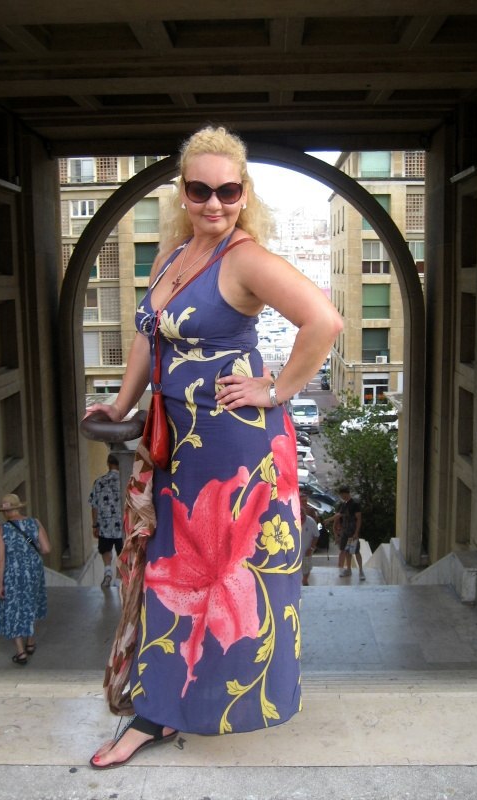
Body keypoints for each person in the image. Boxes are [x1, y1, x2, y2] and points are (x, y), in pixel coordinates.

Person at [86, 125, 343, 769]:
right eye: (200, 189)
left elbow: (324, 321)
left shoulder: (244, 258)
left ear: (244, 193)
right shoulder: (175, 255)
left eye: (228, 190)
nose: (214, 203)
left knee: (222, 582)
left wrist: (275, 390)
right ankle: (160, 710)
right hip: (180, 444)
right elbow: (148, 336)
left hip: (234, 446)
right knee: (172, 574)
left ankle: (175, 710)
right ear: (183, 191)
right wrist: (120, 404)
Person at [0, 493, 51, 664]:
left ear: (4, 512)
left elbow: (0, 558)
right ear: (18, 508)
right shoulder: (34, 522)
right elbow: (46, 549)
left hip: (13, 573)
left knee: (14, 608)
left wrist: (0, 583)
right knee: (31, 604)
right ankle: (30, 643)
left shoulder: (1, 529)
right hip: (34, 571)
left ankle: (20, 652)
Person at [89, 453, 123, 588]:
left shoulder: (99, 482)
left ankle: (108, 571)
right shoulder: (125, 480)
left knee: (105, 549)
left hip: (104, 525)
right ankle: (118, 579)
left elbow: (94, 505)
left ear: (108, 463)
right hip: (122, 525)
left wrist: (95, 525)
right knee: (122, 553)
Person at [326, 485, 364, 580]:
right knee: (346, 551)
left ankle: (361, 570)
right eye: (341, 495)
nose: (342, 497)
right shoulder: (344, 504)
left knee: (356, 551)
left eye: (343, 495)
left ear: (346, 493)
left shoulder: (355, 504)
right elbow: (338, 515)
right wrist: (328, 520)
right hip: (345, 531)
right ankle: (348, 569)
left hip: (352, 531)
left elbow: (359, 519)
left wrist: (356, 532)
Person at [299, 494, 320, 586]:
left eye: (305, 500)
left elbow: (316, 535)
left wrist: (311, 548)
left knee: (306, 567)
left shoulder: (311, 520)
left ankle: (305, 581)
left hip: (307, 549)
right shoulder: (291, 519)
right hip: (294, 550)